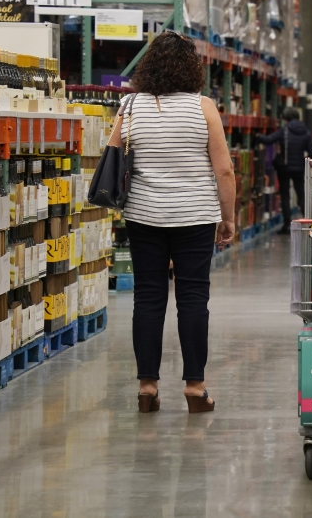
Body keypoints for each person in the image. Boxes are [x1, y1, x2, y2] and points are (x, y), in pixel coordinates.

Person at [106, 31, 237, 415]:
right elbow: (225, 170)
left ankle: (147, 386)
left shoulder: (129, 106)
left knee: (148, 298)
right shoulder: (204, 107)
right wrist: (227, 218)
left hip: (144, 215)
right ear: (189, 68)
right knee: (193, 297)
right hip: (195, 216)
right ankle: (195, 388)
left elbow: (113, 155)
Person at [259, 107, 312, 233]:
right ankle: (309, 222)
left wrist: (257, 136)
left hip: (284, 167)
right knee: (301, 194)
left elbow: (269, 140)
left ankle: (286, 225)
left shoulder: (284, 130)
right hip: (299, 167)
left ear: (286, 118)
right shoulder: (305, 131)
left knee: (285, 195)